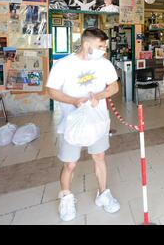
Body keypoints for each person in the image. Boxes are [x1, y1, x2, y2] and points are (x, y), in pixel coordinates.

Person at [46, 27, 120, 222]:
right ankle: (66, 197)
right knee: (70, 164)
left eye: (104, 46)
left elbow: (114, 86)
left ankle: (103, 194)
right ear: (87, 45)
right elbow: (52, 91)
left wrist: (99, 95)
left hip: (98, 121)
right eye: (100, 46)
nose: (104, 50)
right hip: (72, 124)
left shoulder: (104, 64)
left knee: (99, 156)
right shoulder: (63, 65)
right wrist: (73, 100)